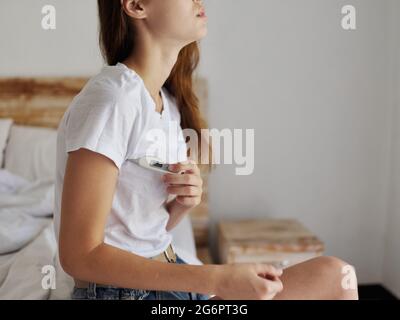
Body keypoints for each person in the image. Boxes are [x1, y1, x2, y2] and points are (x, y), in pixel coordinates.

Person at [54, 0, 359, 300]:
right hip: (124, 293)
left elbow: (134, 231)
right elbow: (79, 255)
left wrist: (181, 206)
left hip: (171, 275)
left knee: (336, 275)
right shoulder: (111, 99)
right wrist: (218, 278)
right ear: (135, 6)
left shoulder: (166, 104)